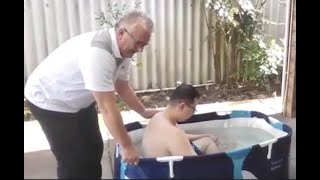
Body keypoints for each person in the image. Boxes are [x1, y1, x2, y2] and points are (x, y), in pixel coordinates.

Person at [24, 10, 160, 179]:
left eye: (144, 45)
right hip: (50, 100)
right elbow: (107, 107)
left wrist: (144, 112)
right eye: (138, 43)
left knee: (94, 148)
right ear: (121, 33)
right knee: (72, 161)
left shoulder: (123, 50)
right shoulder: (99, 53)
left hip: (80, 98)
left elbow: (123, 87)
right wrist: (127, 146)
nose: (139, 49)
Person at [142, 83, 219, 158]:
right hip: (169, 170)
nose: (193, 113)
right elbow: (195, 165)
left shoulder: (157, 118)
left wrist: (205, 135)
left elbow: (176, 138)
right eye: (194, 109)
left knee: (207, 140)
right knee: (211, 147)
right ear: (182, 106)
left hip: (153, 166)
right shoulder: (175, 133)